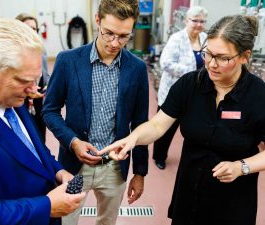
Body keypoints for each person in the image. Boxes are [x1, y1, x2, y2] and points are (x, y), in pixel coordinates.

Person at [100, 15, 265, 225]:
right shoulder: (190, 85)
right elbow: (158, 124)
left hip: (232, 204)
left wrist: (242, 167)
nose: (211, 64)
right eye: (207, 54)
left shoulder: (258, 96)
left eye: (222, 58)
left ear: (244, 56)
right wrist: (133, 139)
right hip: (189, 197)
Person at [0, 19, 85, 225]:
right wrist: (47, 206)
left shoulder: (5, 94)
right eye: (23, 81)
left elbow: (33, 149)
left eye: (34, 80)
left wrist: (58, 171)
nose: (33, 90)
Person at [42, 0, 149, 224]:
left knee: (107, 221)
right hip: (74, 164)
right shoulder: (68, 61)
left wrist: (139, 172)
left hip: (114, 167)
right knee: (66, 221)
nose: (114, 42)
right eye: (108, 33)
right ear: (97, 20)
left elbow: (140, 125)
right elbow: (49, 110)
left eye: (123, 36)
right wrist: (72, 141)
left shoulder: (137, 69)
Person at [153, 6, 208, 170]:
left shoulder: (205, 38)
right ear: (186, 21)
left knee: (193, 127)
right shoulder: (177, 38)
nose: (198, 24)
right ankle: (159, 156)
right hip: (174, 91)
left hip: (197, 93)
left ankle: (192, 158)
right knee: (166, 127)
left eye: (202, 21)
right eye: (194, 20)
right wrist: (193, 73)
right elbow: (166, 63)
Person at [16, 13, 49, 142]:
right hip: (19, 102)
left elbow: (45, 74)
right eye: (27, 28)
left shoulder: (40, 49)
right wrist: (27, 90)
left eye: (34, 29)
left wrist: (46, 86)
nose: (31, 32)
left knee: (40, 138)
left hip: (38, 102)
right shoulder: (12, 52)